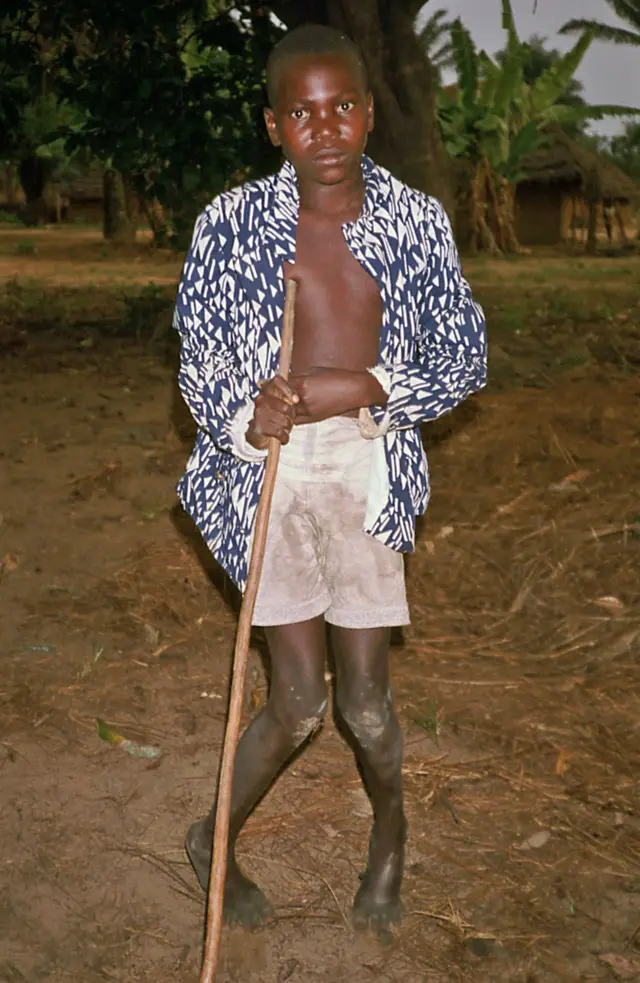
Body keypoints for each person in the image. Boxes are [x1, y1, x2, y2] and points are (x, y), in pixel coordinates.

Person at [173, 23, 487, 933]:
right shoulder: (230, 226)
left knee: (370, 706)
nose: (325, 129)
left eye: (342, 106)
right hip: (267, 470)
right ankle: (212, 840)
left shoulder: (415, 221)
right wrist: (248, 412)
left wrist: (369, 383)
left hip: (365, 460)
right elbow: (200, 365)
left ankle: (389, 839)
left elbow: (463, 355)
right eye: (302, 113)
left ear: (369, 111)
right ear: (274, 125)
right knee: (300, 702)